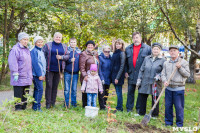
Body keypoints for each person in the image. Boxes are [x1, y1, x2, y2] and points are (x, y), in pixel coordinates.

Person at [161, 45, 190, 127]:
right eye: (171, 51)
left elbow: (187, 75)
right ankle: (168, 123)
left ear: (178, 52)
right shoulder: (166, 63)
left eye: (174, 50)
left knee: (179, 107)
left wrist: (180, 67)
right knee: (168, 106)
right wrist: (165, 80)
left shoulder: (183, 62)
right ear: (169, 52)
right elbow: (163, 74)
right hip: (168, 88)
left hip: (179, 89)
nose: (172, 52)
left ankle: (179, 124)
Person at [136, 43, 165, 117]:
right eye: (154, 49)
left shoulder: (163, 60)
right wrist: (139, 79)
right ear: (152, 50)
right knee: (142, 96)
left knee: (154, 98)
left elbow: (164, 71)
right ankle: (141, 113)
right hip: (145, 81)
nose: (155, 50)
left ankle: (154, 114)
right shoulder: (147, 58)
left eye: (157, 49)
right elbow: (141, 70)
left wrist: (159, 76)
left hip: (155, 82)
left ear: (160, 50)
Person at [125, 32, 151, 113]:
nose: (135, 39)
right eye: (134, 38)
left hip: (142, 75)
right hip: (131, 74)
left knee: (141, 92)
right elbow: (125, 62)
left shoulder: (147, 48)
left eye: (137, 37)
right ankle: (129, 108)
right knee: (130, 92)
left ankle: (139, 108)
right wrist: (125, 71)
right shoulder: (128, 48)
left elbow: (150, 61)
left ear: (140, 38)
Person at [43, 32, 69, 109]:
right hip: (49, 69)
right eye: (56, 37)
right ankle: (48, 103)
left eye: (59, 37)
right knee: (49, 86)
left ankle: (53, 102)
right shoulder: (48, 45)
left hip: (59, 70)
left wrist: (61, 57)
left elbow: (67, 56)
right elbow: (43, 55)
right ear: (54, 37)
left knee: (55, 86)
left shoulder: (64, 46)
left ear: (61, 38)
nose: (58, 38)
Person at [8, 32, 32, 111]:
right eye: (24, 39)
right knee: (18, 92)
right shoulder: (15, 49)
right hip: (19, 75)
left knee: (25, 92)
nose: (26, 41)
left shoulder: (27, 49)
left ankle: (24, 107)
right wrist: (15, 72)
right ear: (20, 40)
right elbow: (12, 62)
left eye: (27, 39)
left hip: (27, 75)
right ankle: (18, 108)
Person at [58, 37, 81, 107]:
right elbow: (64, 60)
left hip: (75, 73)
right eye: (71, 42)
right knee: (66, 89)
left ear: (76, 43)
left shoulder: (79, 52)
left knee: (74, 89)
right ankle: (66, 103)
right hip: (67, 72)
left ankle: (73, 103)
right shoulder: (66, 51)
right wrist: (70, 60)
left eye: (74, 42)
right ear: (69, 43)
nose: (73, 44)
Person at [79, 40, 100, 107]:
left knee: (92, 91)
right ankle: (85, 106)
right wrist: (85, 75)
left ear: (94, 46)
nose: (90, 46)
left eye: (92, 45)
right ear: (86, 46)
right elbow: (82, 67)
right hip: (87, 76)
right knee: (86, 91)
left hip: (94, 77)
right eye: (89, 45)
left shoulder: (95, 54)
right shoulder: (84, 54)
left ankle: (92, 105)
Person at [31, 36, 46, 111]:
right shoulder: (34, 51)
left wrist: (44, 74)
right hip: (37, 74)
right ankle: (37, 107)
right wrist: (39, 74)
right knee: (40, 90)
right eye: (38, 42)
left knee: (37, 89)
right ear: (35, 43)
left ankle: (34, 106)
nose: (40, 43)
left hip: (41, 74)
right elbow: (35, 64)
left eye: (41, 42)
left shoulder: (41, 51)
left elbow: (42, 63)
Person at [110, 38, 126, 112]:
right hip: (114, 74)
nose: (118, 45)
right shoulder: (115, 52)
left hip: (118, 76)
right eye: (117, 44)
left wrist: (117, 78)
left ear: (122, 45)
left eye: (119, 44)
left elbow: (122, 66)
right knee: (117, 91)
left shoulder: (122, 53)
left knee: (119, 92)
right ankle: (118, 106)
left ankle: (119, 108)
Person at [98, 45, 112, 110]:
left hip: (108, 78)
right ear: (103, 51)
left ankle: (104, 104)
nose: (107, 53)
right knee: (101, 93)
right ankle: (102, 106)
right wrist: (101, 78)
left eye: (108, 51)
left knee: (106, 93)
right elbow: (99, 69)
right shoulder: (100, 58)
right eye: (105, 51)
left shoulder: (110, 58)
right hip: (102, 78)